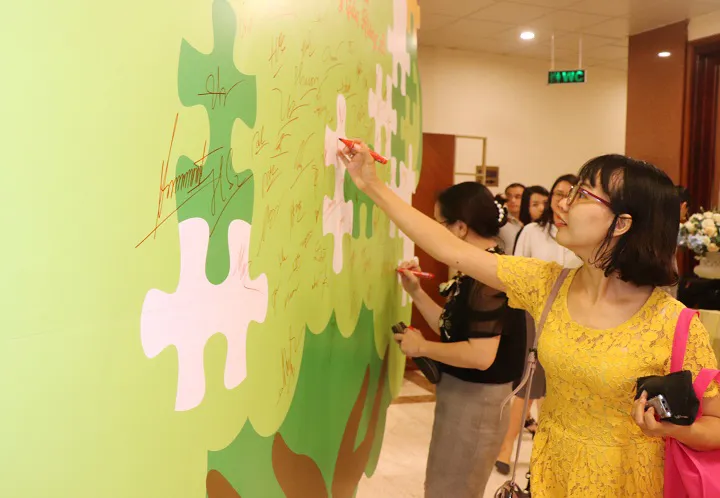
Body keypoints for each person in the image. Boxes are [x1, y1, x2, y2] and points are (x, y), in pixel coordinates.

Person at [339, 143, 720, 497]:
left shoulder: (670, 321)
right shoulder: (547, 284)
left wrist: (671, 428)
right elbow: (449, 248)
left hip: (629, 482)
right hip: (553, 473)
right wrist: (370, 183)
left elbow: (716, 424)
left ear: (621, 224)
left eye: (582, 195)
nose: (563, 204)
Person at [395, 182, 526, 498]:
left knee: (452, 489)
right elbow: (452, 328)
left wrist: (422, 347)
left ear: (461, 228)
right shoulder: (478, 271)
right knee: (444, 486)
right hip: (463, 397)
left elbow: (480, 355)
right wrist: (415, 292)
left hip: (476, 403)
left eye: (439, 225)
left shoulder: (488, 280)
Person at [495, 174, 582, 475]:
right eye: (558, 193)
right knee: (529, 381)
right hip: (535, 316)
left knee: (560, 387)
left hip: (573, 318)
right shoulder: (533, 231)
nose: (562, 200)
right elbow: (518, 271)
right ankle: (506, 448)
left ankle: (548, 453)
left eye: (571, 194)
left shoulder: (582, 233)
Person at [498, 183, 525, 254]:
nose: (512, 200)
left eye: (518, 197)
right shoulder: (500, 222)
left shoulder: (532, 222)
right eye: (509, 196)